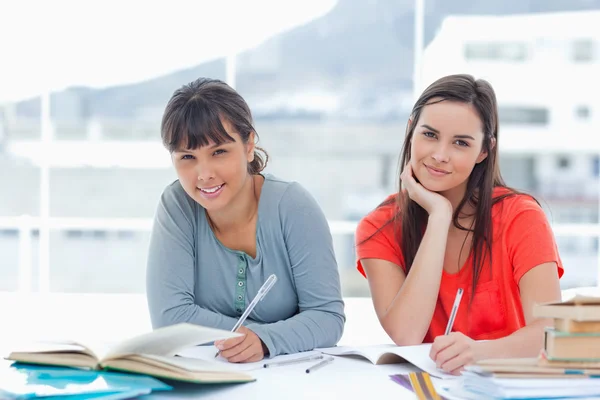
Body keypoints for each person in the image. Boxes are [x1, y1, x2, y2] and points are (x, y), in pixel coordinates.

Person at [355, 74, 563, 374]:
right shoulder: (379, 228)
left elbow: (550, 332)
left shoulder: (521, 217)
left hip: (505, 386)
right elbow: (407, 334)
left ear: (483, 151)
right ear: (410, 129)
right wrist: (439, 217)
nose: (440, 155)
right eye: (429, 135)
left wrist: (478, 352)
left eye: (460, 143)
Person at [147, 78, 345, 363]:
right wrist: (260, 336)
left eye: (219, 152)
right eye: (187, 156)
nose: (204, 174)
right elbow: (170, 319)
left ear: (248, 145)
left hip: (290, 378)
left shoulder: (292, 206)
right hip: (207, 376)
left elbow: (327, 318)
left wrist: (266, 341)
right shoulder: (177, 205)